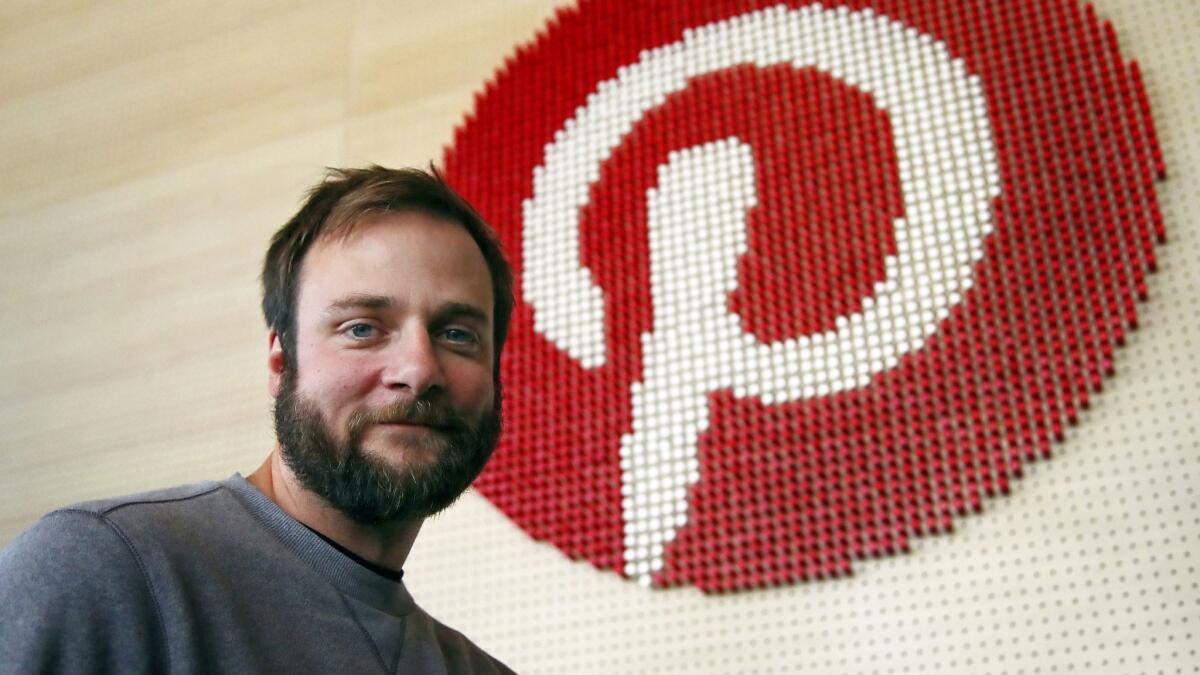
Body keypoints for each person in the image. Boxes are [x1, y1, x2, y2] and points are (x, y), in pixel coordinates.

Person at [0, 166, 517, 674]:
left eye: (457, 335)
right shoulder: (101, 567)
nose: (419, 369)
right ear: (280, 362)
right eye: (362, 328)